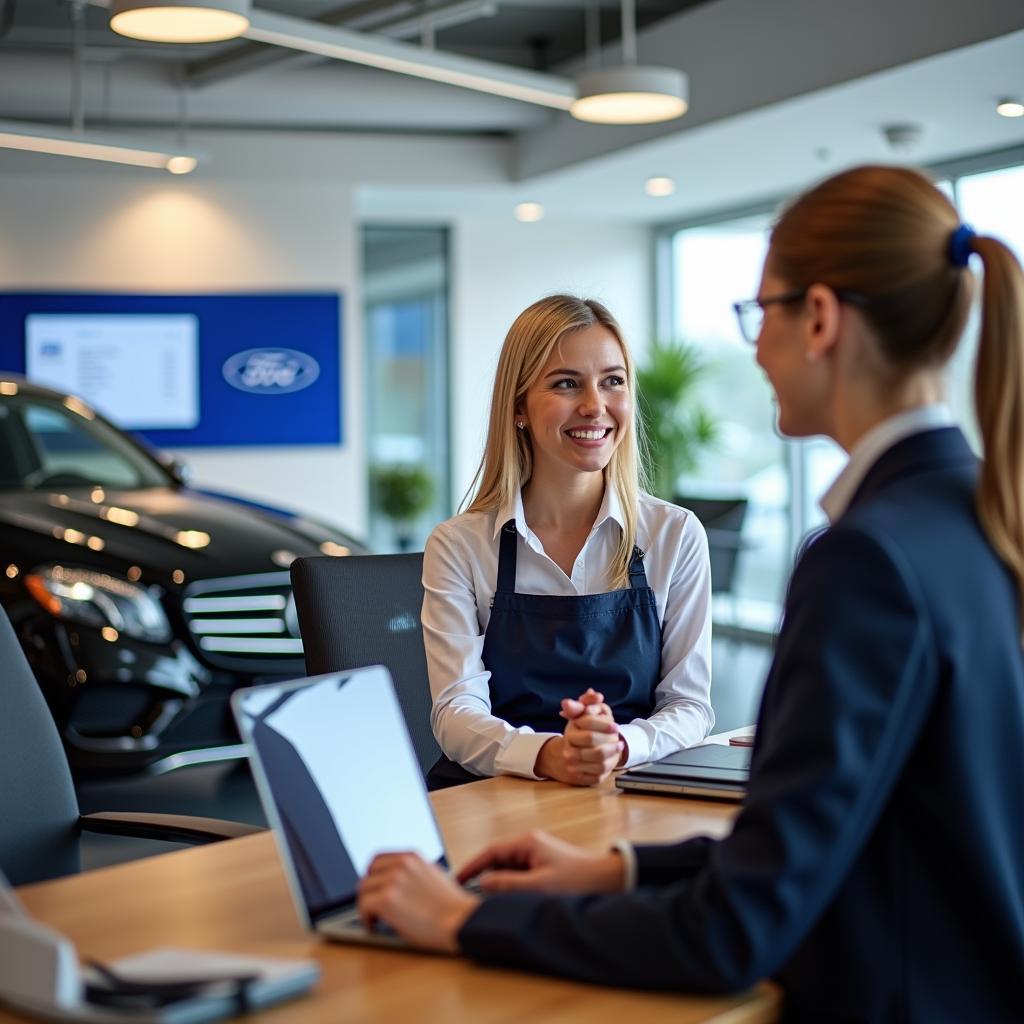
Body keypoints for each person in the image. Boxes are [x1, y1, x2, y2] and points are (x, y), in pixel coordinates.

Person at [357, 166, 1024, 1022]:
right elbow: (828, 838)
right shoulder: (980, 517)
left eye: (761, 314)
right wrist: (623, 868)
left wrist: (472, 920)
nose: (755, 347)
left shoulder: (865, 561)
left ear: (817, 318)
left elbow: (731, 933)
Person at [421, 294, 714, 789]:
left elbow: (690, 705)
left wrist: (619, 744)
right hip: (495, 796)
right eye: (565, 384)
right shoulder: (460, 545)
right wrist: (550, 753)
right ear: (518, 407)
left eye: (613, 381)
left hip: (627, 789)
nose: (594, 406)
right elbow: (455, 712)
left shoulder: (675, 535)